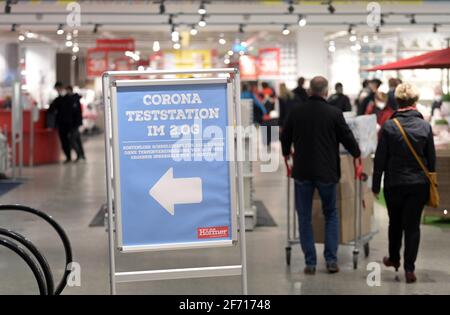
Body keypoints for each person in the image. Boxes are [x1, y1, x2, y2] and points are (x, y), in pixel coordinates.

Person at [281, 76, 361, 275]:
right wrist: (357, 153)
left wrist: (286, 153)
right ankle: (331, 261)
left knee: (305, 217)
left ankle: (310, 262)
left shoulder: (296, 112)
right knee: (331, 214)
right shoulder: (334, 113)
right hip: (327, 172)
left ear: (309, 91)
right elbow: (347, 137)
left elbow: (285, 137)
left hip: (303, 172)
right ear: (326, 92)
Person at [372, 83, 436, 284]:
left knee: (395, 223)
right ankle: (410, 269)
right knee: (413, 226)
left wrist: (375, 184)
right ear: (415, 101)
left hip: (394, 183)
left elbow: (380, 159)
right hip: (418, 184)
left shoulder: (389, 126)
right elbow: (431, 160)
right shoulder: (425, 126)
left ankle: (394, 258)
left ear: (397, 101)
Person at [66, 86, 86, 161]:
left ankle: (79, 154)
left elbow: (76, 113)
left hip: (74, 124)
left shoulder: (74, 100)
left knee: (72, 140)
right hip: (74, 124)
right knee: (77, 140)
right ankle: (82, 155)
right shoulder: (73, 100)